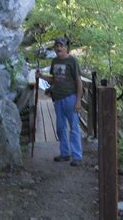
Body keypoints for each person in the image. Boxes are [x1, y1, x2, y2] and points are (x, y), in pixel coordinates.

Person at [35, 37, 83, 166]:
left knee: (73, 128)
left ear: (66, 47)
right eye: (56, 46)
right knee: (60, 128)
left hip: (71, 98)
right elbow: (54, 79)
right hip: (58, 99)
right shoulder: (54, 61)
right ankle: (65, 153)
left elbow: (79, 81)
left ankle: (77, 156)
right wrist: (41, 76)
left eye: (61, 46)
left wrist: (78, 100)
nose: (58, 48)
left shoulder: (72, 61)